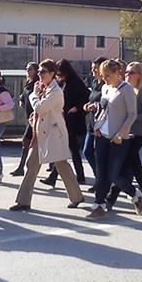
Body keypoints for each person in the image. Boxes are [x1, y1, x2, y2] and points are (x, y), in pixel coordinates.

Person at [10, 59, 85, 212]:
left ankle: (76, 196)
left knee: (62, 165)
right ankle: (23, 201)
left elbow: (40, 107)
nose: (40, 74)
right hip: (41, 133)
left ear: (52, 74)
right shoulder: (44, 88)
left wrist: (34, 94)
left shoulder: (56, 92)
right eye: (39, 71)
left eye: (43, 72)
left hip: (54, 134)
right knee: (31, 164)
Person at [87, 59, 141, 219]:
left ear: (117, 73)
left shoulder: (127, 89)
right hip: (101, 135)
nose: (105, 79)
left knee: (113, 175)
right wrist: (97, 125)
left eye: (108, 76)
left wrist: (120, 134)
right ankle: (99, 204)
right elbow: (104, 109)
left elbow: (132, 115)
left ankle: (134, 194)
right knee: (101, 173)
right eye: (103, 76)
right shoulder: (105, 88)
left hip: (118, 138)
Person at [106, 61, 142, 209]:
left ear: (139, 75)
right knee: (131, 165)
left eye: (131, 72)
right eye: (126, 72)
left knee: (127, 164)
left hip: (137, 133)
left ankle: (113, 197)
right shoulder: (123, 89)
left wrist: (133, 116)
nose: (127, 75)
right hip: (125, 132)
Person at [42, 59, 89, 187]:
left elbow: (86, 97)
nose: (59, 76)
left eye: (60, 74)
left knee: (66, 148)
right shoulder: (63, 82)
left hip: (73, 120)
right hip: (65, 119)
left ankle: (55, 176)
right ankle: (77, 176)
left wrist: (77, 108)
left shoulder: (76, 82)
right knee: (70, 149)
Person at [10, 62, 40, 177]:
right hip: (30, 119)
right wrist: (22, 100)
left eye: (30, 69)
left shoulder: (37, 84)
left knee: (27, 141)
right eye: (27, 69)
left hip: (36, 118)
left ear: (36, 71)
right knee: (31, 143)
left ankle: (22, 167)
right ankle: (22, 168)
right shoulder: (28, 83)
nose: (27, 71)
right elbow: (23, 96)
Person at [82, 56, 106, 191]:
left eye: (95, 69)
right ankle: (99, 179)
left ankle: (101, 183)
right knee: (87, 152)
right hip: (91, 123)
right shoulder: (95, 83)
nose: (93, 71)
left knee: (98, 155)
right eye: (92, 68)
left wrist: (95, 106)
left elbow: (105, 104)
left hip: (101, 125)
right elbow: (92, 99)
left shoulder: (106, 85)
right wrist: (87, 105)